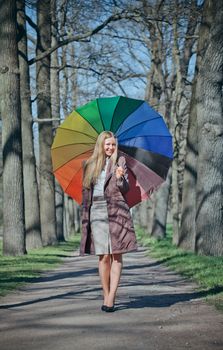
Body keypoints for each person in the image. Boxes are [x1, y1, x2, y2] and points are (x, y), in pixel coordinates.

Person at [80, 131, 137, 312]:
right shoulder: (89, 164)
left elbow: (125, 189)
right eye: (108, 144)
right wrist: (85, 217)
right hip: (97, 211)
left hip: (116, 210)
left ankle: (111, 296)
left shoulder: (120, 163)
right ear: (101, 145)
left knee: (117, 254)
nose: (111, 147)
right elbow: (85, 194)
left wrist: (120, 177)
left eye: (113, 144)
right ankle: (106, 293)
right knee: (103, 256)